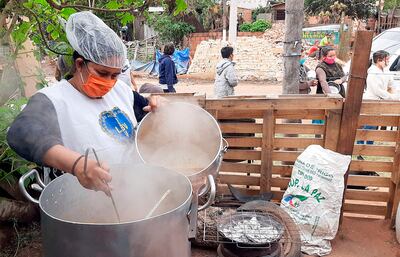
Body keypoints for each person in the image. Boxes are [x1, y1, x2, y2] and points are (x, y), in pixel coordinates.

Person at [7, 12, 161, 195]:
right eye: (102, 73)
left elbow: (146, 119)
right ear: (80, 64)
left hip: (130, 194)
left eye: (115, 75)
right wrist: (77, 164)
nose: (110, 82)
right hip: (77, 203)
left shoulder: (122, 91)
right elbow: (20, 133)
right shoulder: (54, 100)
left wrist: (157, 108)